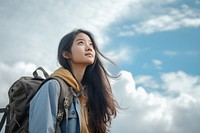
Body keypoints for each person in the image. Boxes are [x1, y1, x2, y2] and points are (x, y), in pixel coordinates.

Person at [29, 29, 119, 133]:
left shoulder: (90, 95)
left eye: (91, 44)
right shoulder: (53, 87)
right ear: (66, 54)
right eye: (81, 43)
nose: (89, 47)